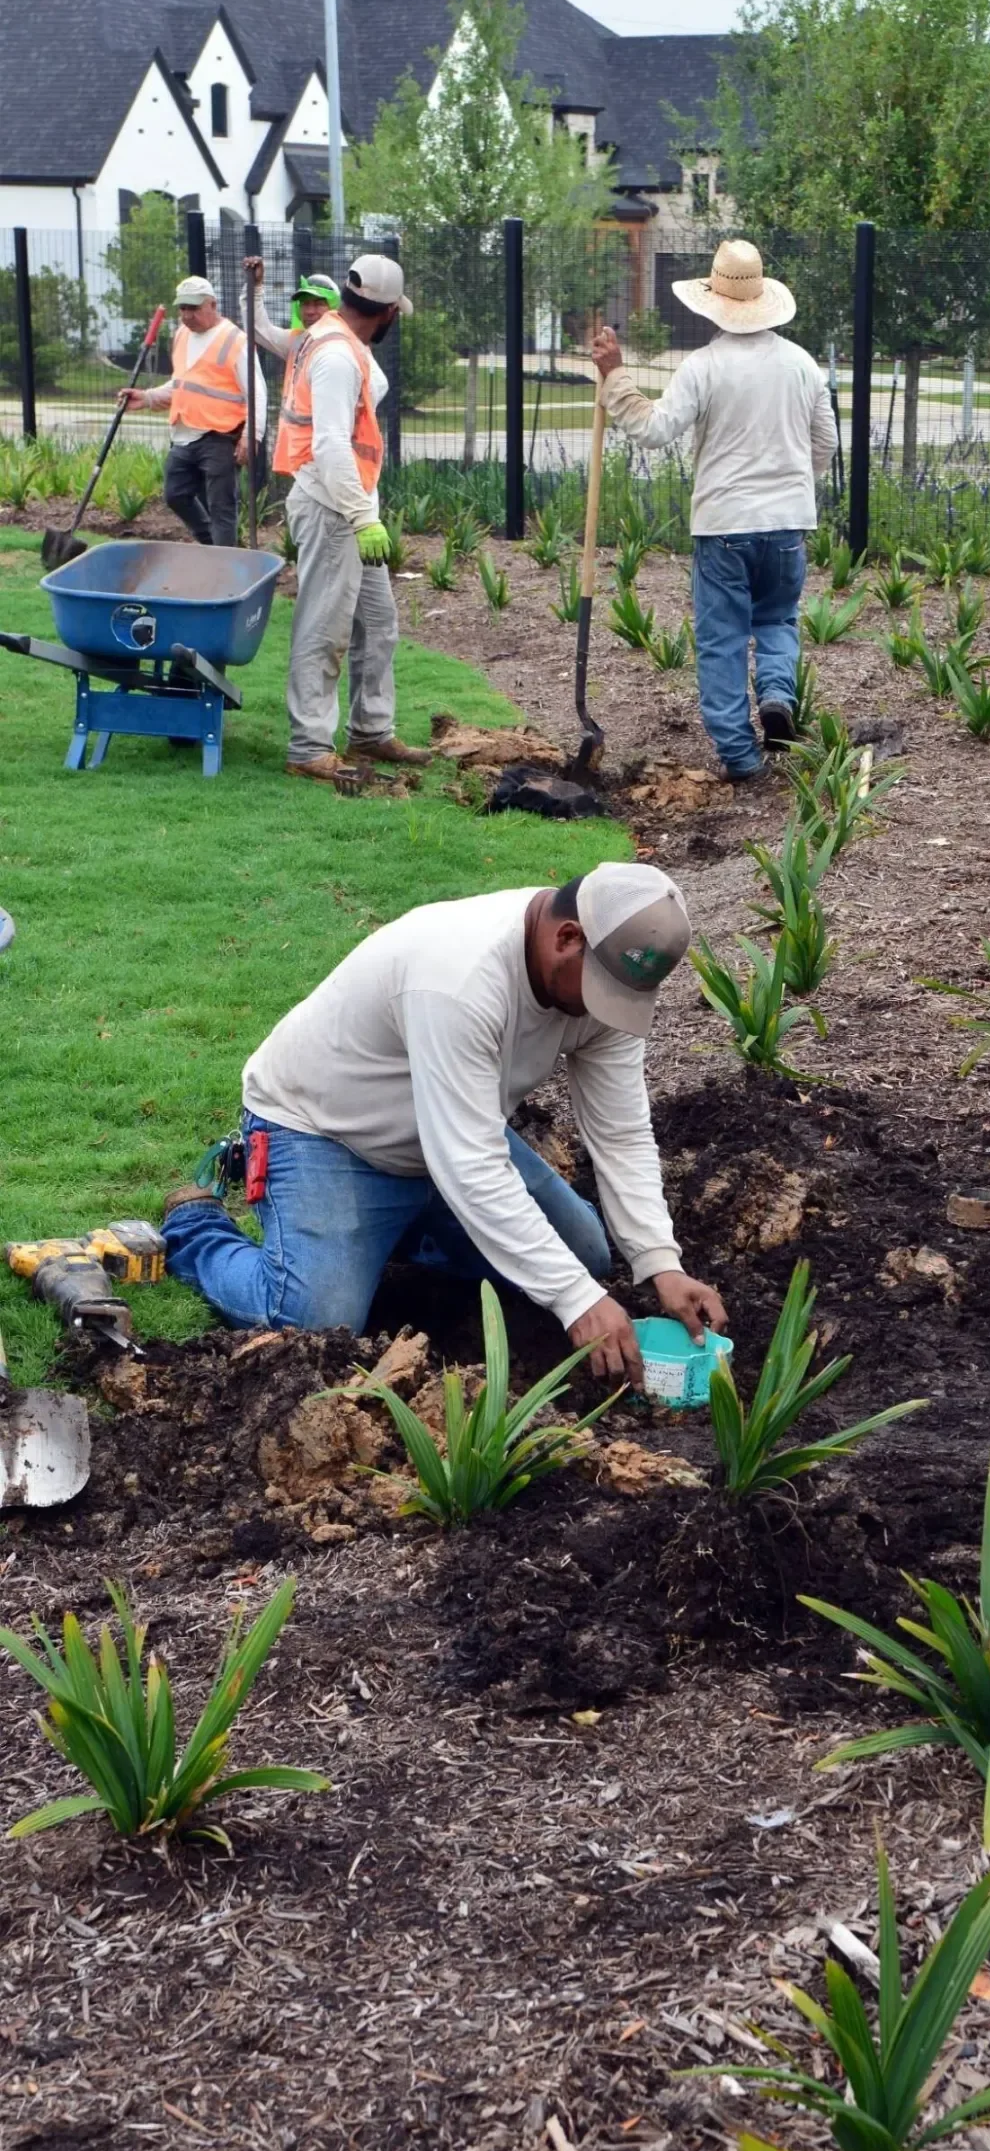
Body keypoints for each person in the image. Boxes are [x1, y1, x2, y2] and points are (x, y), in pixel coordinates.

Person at [161, 861, 728, 1388]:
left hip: (453, 1131)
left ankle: (389, 1234)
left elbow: (620, 1133)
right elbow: (472, 1164)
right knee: (316, 1321)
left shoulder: (603, 982)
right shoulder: (459, 977)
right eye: (601, 991)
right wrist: (577, 1301)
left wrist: (660, 1262)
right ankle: (196, 1231)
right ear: (567, 938)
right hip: (325, 1134)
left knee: (585, 1257)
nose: (606, 1010)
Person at [592, 240, 836, 784]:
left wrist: (615, 376)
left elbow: (654, 430)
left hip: (725, 524)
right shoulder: (802, 365)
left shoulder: (703, 367)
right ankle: (776, 694)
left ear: (714, 300)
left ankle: (742, 759)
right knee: (777, 618)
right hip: (788, 522)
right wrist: (794, 486)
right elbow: (825, 443)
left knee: (723, 639)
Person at [277, 253, 432, 782]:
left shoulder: (339, 342)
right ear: (387, 312)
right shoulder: (339, 355)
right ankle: (307, 747)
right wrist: (365, 518)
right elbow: (331, 446)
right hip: (332, 509)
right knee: (324, 626)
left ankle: (370, 732)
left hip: (348, 506)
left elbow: (371, 392)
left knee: (378, 622)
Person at [123, 274, 267, 548]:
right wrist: (148, 397)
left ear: (212, 304)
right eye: (183, 309)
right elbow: (183, 383)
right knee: (175, 494)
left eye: (193, 308)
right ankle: (210, 544)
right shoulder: (181, 335)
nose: (187, 315)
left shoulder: (234, 340)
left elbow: (257, 391)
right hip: (184, 434)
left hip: (220, 437)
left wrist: (252, 434)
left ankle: (224, 568)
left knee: (221, 508)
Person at [244, 256, 341, 476]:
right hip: (305, 456)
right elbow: (258, 329)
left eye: (318, 303)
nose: (310, 310)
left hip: (334, 453)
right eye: (305, 304)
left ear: (333, 306)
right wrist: (255, 287)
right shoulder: (297, 342)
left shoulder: (345, 344)